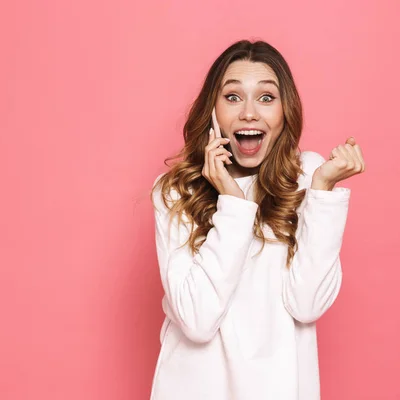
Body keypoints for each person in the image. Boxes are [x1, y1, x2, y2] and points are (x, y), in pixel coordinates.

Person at [149, 39, 366, 400]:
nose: (249, 113)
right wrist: (233, 203)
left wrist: (324, 191)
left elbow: (307, 304)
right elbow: (198, 321)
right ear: (213, 110)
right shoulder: (175, 191)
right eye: (232, 97)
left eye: (266, 97)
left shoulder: (308, 176)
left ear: (285, 111)